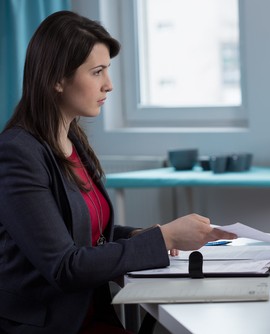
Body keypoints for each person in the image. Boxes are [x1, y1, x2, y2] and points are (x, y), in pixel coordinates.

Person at [0, 10, 236, 334]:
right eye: (97, 72)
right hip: (52, 324)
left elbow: (87, 233)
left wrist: (143, 235)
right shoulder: (17, 154)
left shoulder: (72, 141)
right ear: (56, 79)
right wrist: (163, 237)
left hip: (91, 314)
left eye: (107, 71)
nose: (109, 85)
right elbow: (66, 266)